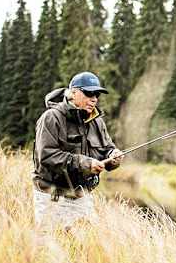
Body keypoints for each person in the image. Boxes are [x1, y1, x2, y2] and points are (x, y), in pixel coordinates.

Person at [32, 71, 124, 231]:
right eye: (89, 93)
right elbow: (46, 156)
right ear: (73, 93)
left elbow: (107, 149)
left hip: (82, 198)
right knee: (48, 249)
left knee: (85, 249)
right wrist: (85, 163)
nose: (94, 98)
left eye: (97, 94)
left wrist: (113, 157)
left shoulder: (97, 123)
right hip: (51, 197)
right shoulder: (51, 118)